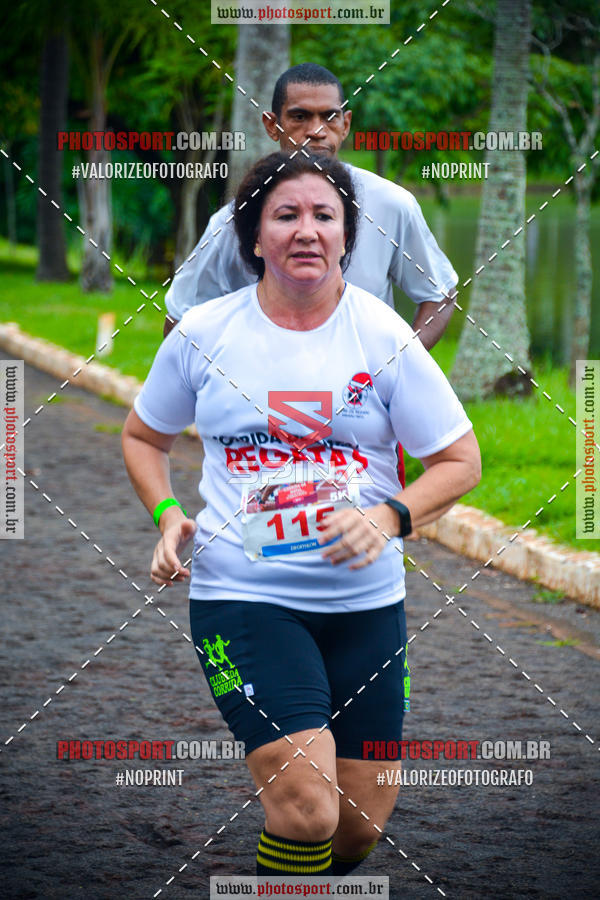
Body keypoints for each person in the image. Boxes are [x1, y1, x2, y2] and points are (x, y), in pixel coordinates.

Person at [123, 152, 480, 879]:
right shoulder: (204, 332)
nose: (307, 230)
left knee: (354, 829)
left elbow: (460, 461)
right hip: (242, 598)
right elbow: (142, 436)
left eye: (325, 215)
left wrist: (388, 516)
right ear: (254, 236)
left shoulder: (383, 337)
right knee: (305, 807)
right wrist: (166, 514)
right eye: (286, 215)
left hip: (366, 605)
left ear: (347, 235)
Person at [163, 63, 458, 353]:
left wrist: (398, 365)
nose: (316, 131)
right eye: (300, 117)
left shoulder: (391, 205)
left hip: (360, 385)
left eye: (330, 117)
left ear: (345, 125)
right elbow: (179, 319)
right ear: (272, 125)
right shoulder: (234, 220)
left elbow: (440, 294)